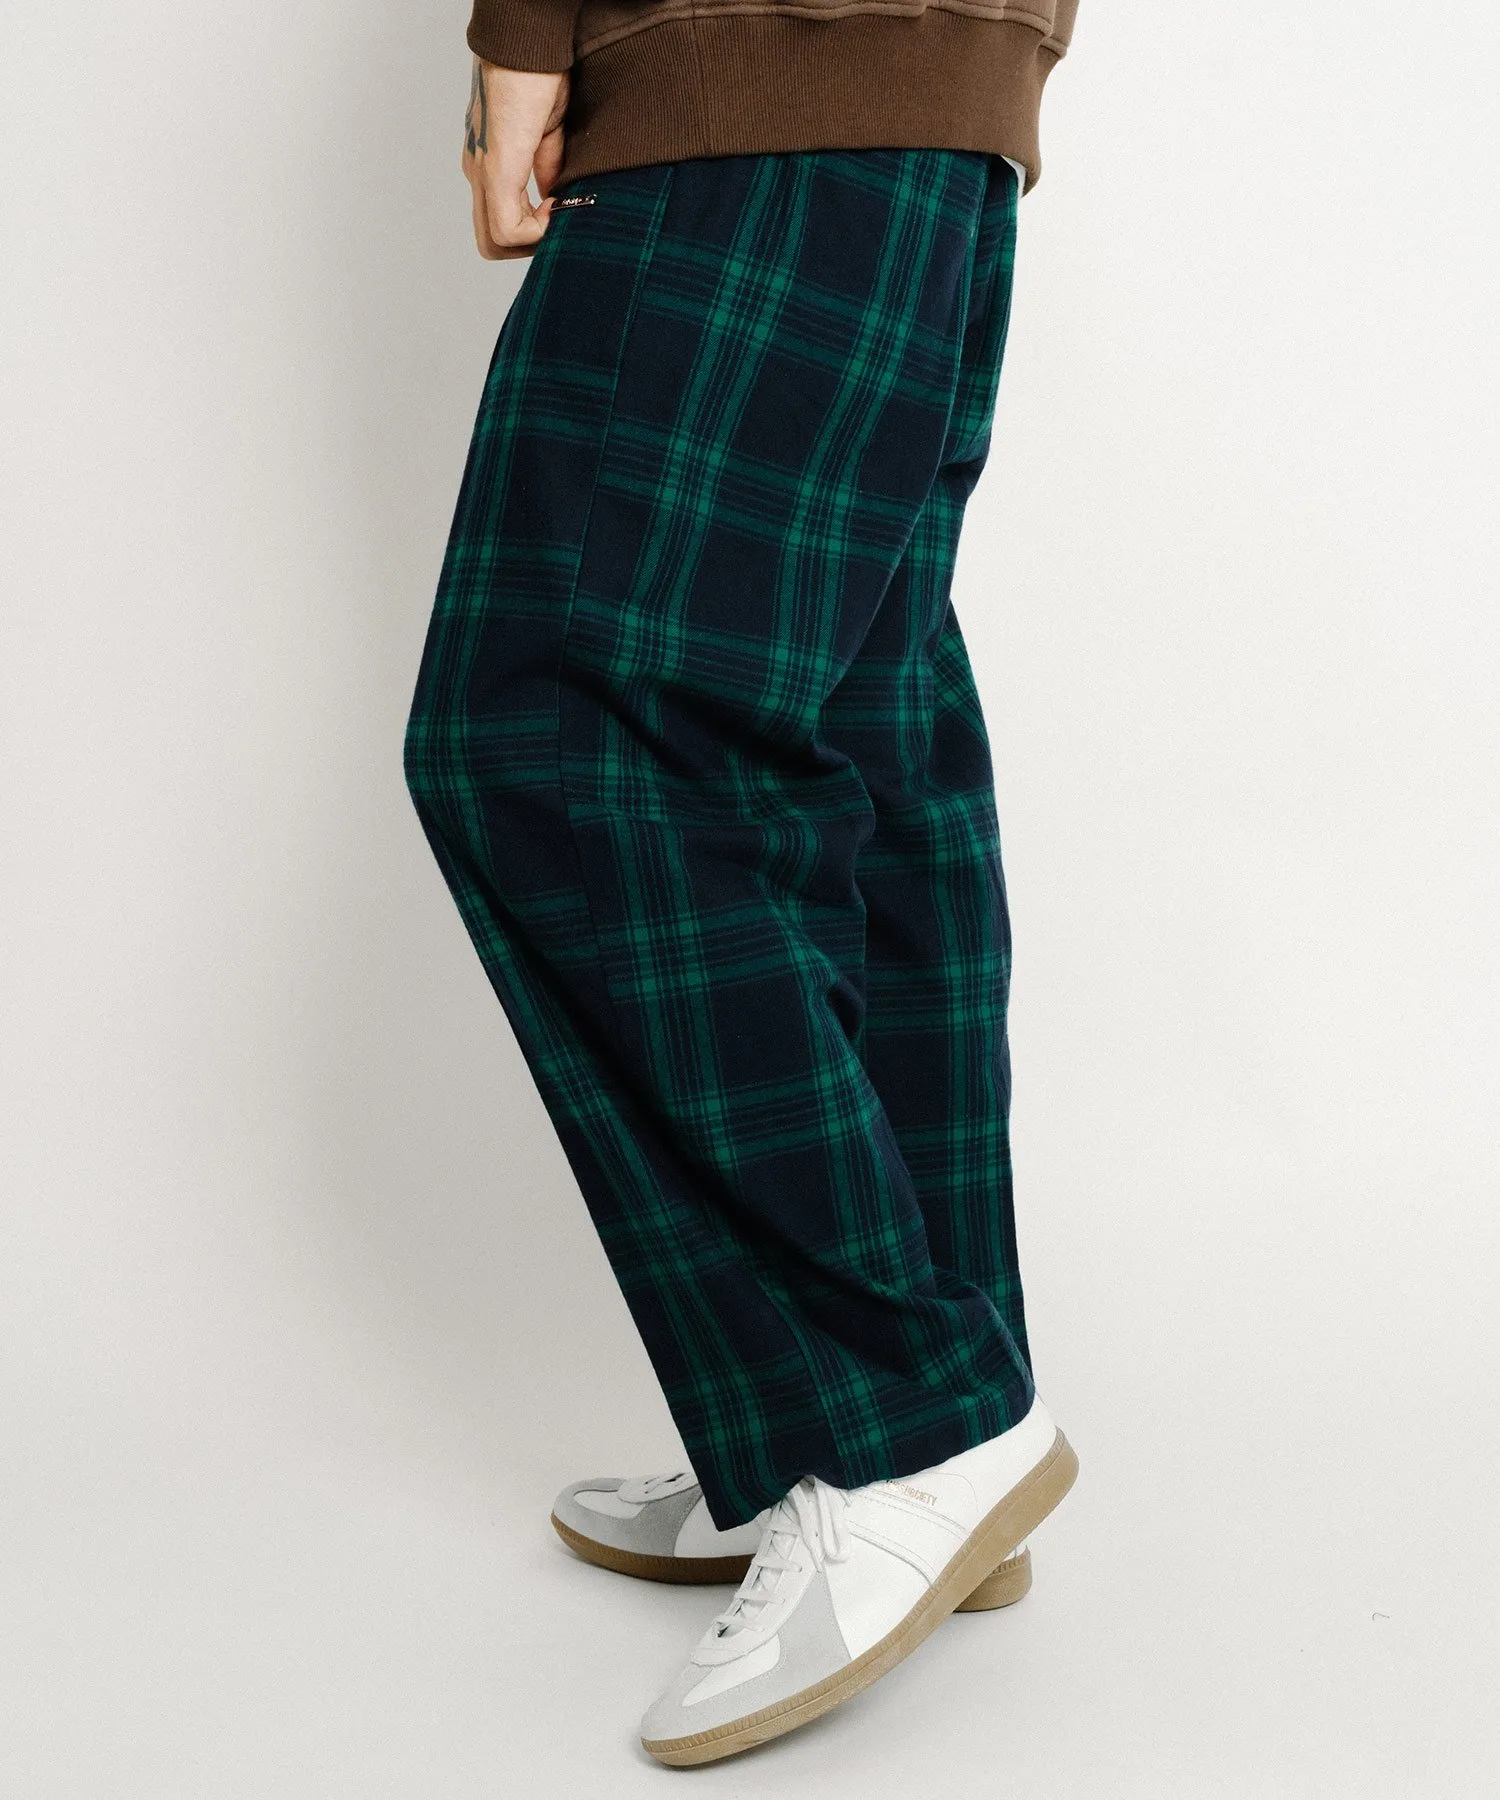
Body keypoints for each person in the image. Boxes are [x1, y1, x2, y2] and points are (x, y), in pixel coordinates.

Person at [403, 0, 1080, 1764]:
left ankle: (898, 1421)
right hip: (930, 83)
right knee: (852, 731)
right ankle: (904, 1422)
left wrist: (525, 37)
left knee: (555, 738)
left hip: (752, 63)